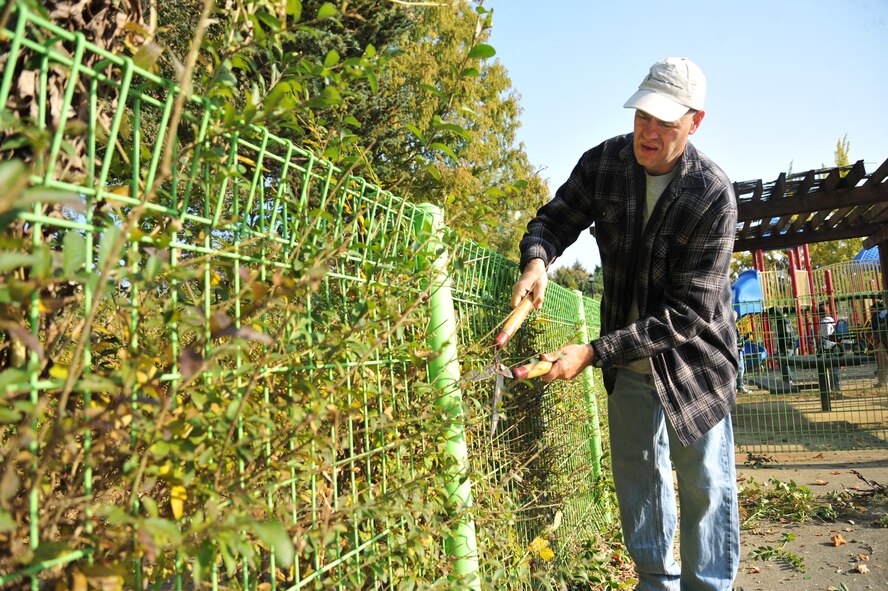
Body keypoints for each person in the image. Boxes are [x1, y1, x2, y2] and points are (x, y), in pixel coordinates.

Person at [511, 57, 739, 590]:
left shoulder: (712, 195)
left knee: (705, 485)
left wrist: (591, 352)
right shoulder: (605, 165)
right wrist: (538, 260)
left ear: (695, 121)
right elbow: (553, 219)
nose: (648, 132)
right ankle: (656, 583)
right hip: (627, 366)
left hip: (695, 366)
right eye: (643, 116)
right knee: (640, 482)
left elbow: (688, 313)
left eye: (664, 121)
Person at [768, 307, 795, 387]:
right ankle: (786, 381)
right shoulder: (781, 320)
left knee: (784, 363)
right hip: (784, 346)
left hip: (786, 347)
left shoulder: (783, 321)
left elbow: (787, 335)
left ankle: (788, 381)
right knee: (782, 363)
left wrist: (786, 347)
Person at [735, 311, 749, 394]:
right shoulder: (733, 326)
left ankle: (738, 387)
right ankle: (740, 387)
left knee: (739, 368)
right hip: (738, 349)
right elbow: (737, 339)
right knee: (740, 368)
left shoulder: (732, 326)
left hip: (737, 348)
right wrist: (744, 338)